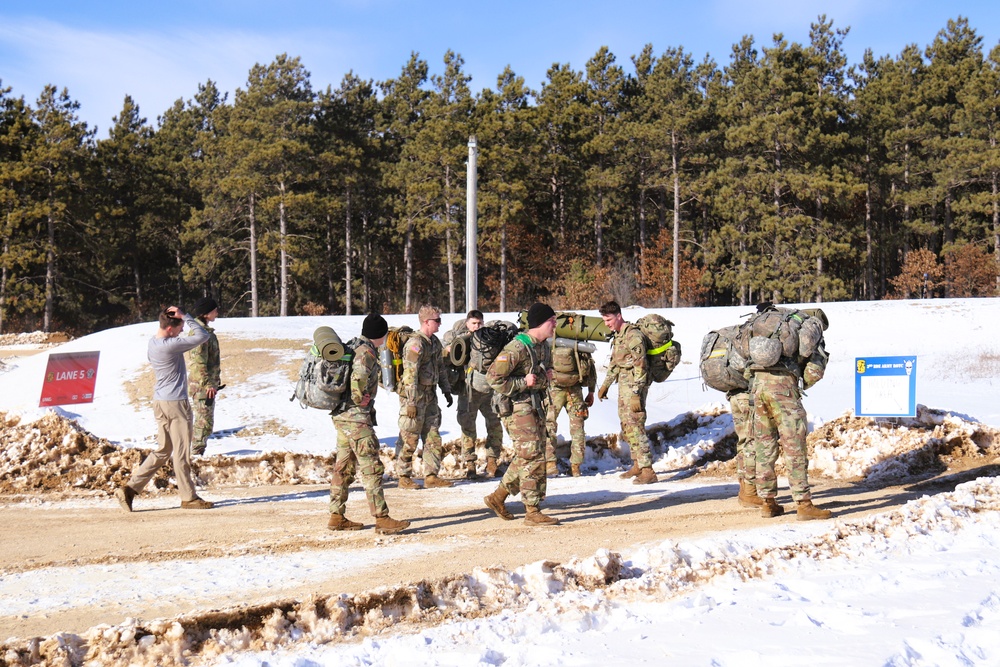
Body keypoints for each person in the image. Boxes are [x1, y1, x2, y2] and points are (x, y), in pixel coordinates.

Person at [115, 306, 214, 512]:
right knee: (181, 452)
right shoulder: (171, 345)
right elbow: (202, 335)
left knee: (163, 450)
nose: (181, 332)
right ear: (170, 329)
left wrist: (177, 317)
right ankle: (189, 497)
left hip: (160, 402)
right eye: (179, 328)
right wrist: (185, 315)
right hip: (176, 403)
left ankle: (130, 489)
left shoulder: (153, 343)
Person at [329, 313, 410, 535]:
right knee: (371, 467)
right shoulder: (366, 353)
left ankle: (336, 515)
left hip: (343, 417)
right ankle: (381, 518)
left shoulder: (355, 346)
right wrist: (359, 397)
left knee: (343, 467)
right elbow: (359, 378)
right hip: (356, 418)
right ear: (381, 335)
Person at [750, 309, 832, 521]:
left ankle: (768, 503)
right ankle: (804, 505)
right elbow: (814, 372)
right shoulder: (806, 330)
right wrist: (801, 382)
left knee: (764, 445)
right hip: (783, 388)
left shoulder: (768, 325)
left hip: (757, 386)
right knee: (794, 446)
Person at [483, 302, 560, 526]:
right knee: (533, 456)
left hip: (535, 406)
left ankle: (498, 497)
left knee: (529, 455)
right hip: (517, 409)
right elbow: (493, 378)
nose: (555, 325)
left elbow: (543, 377)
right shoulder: (516, 348)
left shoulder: (543, 346)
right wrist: (522, 382)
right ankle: (532, 510)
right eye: (551, 321)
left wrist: (542, 378)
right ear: (539, 323)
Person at [597, 301, 658, 485]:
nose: (606, 323)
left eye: (608, 319)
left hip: (634, 387)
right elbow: (616, 363)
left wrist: (636, 393)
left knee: (636, 425)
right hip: (624, 385)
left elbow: (641, 365)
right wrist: (605, 385)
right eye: (604, 320)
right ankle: (637, 464)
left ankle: (648, 471)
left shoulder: (633, 336)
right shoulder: (619, 336)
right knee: (627, 425)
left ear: (618, 316)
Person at [396, 304, 454, 489]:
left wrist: (446, 389)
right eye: (437, 320)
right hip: (414, 396)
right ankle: (403, 476)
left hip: (430, 395)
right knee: (410, 436)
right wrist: (411, 402)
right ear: (427, 322)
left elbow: (440, 367)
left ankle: (431, 475)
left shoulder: (434, 342)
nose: (440, 323)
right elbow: (409, 375)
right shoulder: (415, 344)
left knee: (433, 436)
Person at [443, 309, 503, 478]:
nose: (476, 327)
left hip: (489, 390)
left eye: (479, 323)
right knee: (468, 427)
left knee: (495, 425)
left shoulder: (489, 338)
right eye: (473, 323)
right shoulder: (460, 339)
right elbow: (445, 358)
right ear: (467, 323)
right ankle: (470, 465)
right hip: (468, 389)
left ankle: (492, 462)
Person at [545, 338, 596, 477]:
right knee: (577, 427)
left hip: (554, 389)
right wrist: (591, 391)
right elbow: (590, 367)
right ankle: (576, 467)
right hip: (575, 390)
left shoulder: (549, 342)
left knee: (548, 424)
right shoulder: (578, 343)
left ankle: (550, 464)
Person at [187, 297, 222, 457]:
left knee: (206, 423)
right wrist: (208, 384)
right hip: (202, 388)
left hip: (207, 387)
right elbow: (198, 363)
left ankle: (197, 453)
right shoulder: (199, 333)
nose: (217, 312)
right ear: (206, 313)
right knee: (203, 423)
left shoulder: (206, 332)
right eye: (214, 310)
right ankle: (194, 457)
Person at [729, 388, 762, 507]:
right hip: (748, 397)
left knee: (743, 442)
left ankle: (744, 490)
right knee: (753, 442)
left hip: (734, 395)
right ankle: (750, 492)